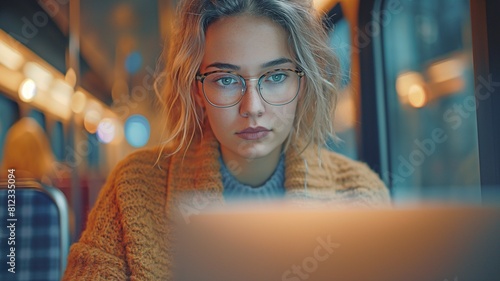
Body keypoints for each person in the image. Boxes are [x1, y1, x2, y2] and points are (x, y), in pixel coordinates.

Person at [63, 0, 391, 279]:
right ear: (198, 90)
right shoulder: (133, 188)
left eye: (276, 76)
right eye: (226, 80)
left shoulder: (359, 194)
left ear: (301, 84)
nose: (252, 108)